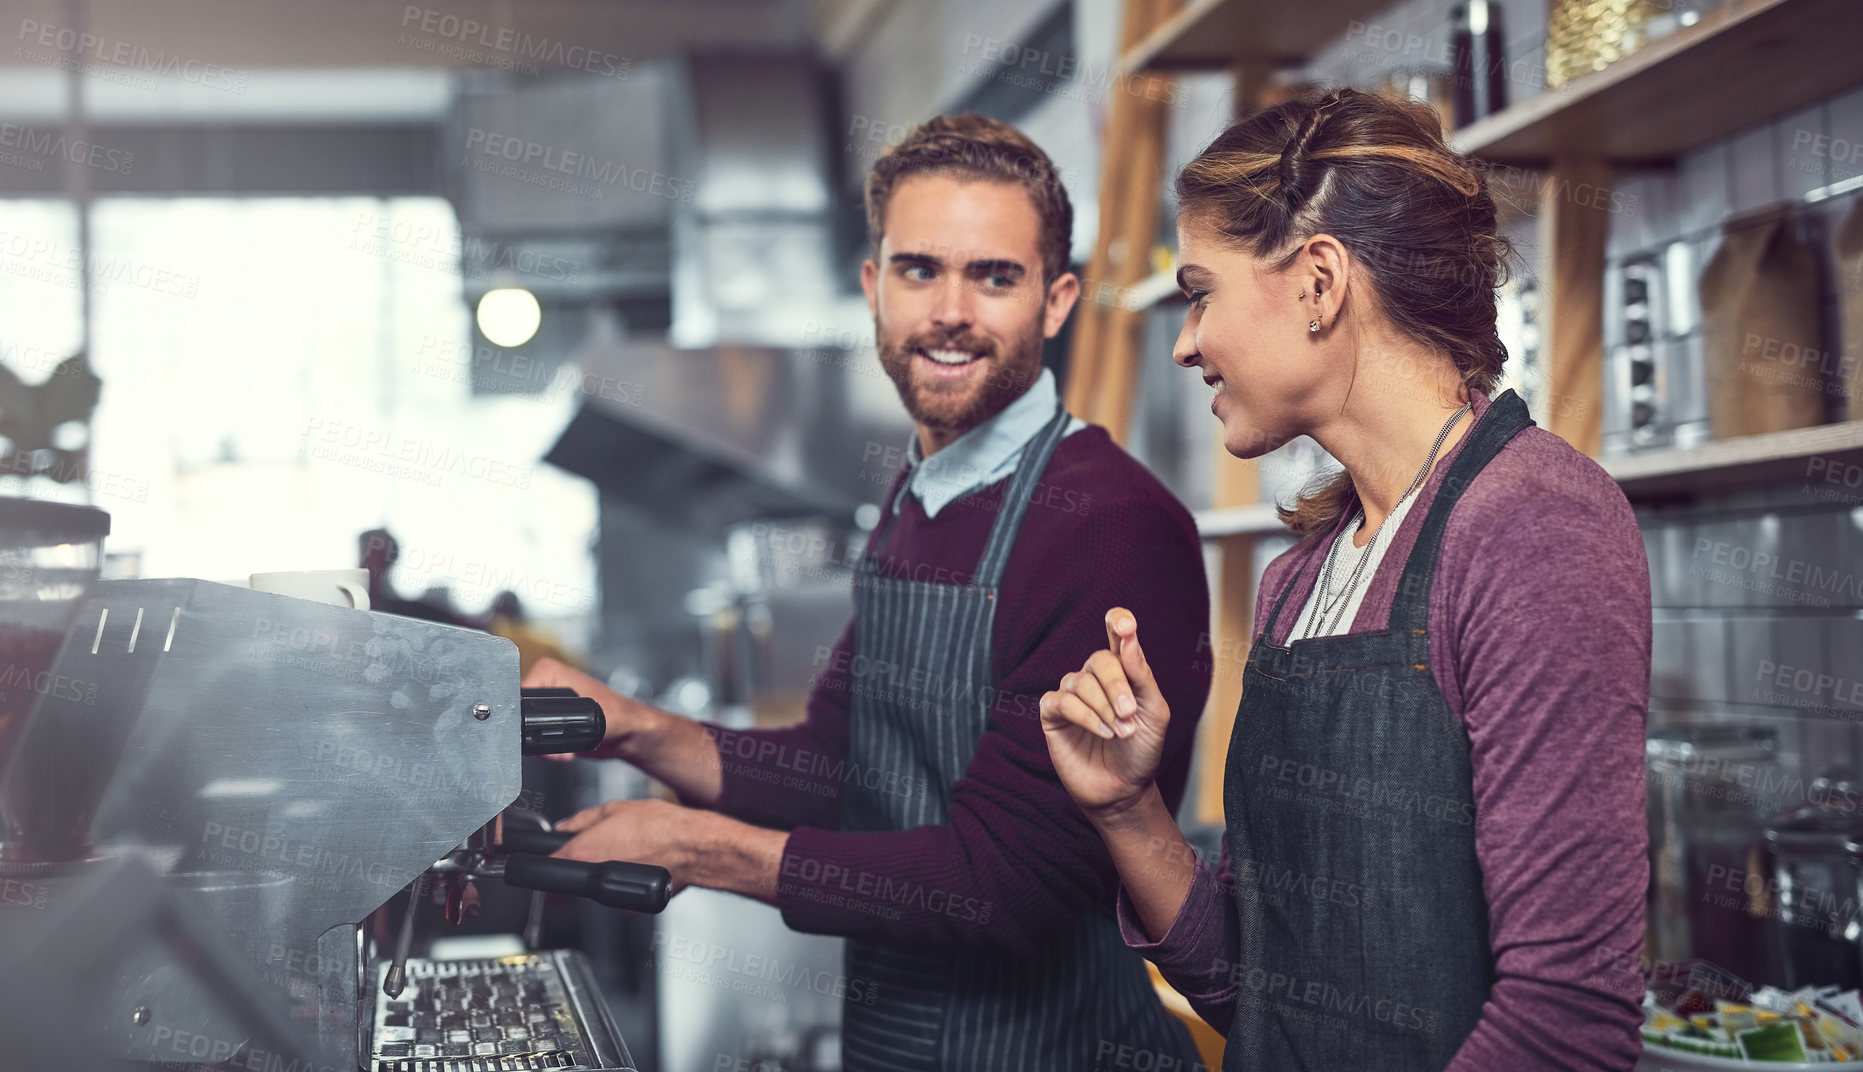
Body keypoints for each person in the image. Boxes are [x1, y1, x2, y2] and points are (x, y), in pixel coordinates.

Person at [525, 114, 1213, 1070]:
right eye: (919, 269)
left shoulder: (1106, 524)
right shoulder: (918, 493)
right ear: (873, 287)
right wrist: (633, 726)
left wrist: (697, 849)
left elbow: (1004, 884)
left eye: (995, 276)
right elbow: (838, 760)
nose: (949, 311)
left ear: (1057, 303)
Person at [1040, 87, 1650, 1072]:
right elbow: (1264, 990)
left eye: (1201, 291)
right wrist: (1126, 808)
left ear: (1320, 281)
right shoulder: (1300, 582)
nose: (1186, 340)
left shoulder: (1534, 526)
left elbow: (1566, 1025)